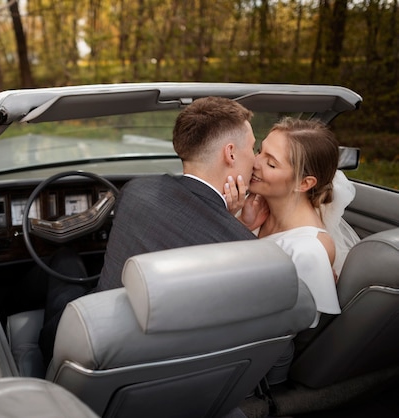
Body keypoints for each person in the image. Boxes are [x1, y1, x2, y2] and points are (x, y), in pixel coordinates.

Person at [38, 97, 259, 364]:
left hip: (78, 341)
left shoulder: (136, 192)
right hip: (167, 364)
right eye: (254, 148)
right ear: (231, 153)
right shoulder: (244, 248)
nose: (256, 160)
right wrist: (226, 217)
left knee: (64, 258)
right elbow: (200, 230)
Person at [236, 117, 360, 328]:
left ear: (304, 183)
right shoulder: (248, 209)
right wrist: (241, 226)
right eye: (259, 150)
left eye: (271, 163)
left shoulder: (308, 250)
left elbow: (290, 331)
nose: (255, 162)